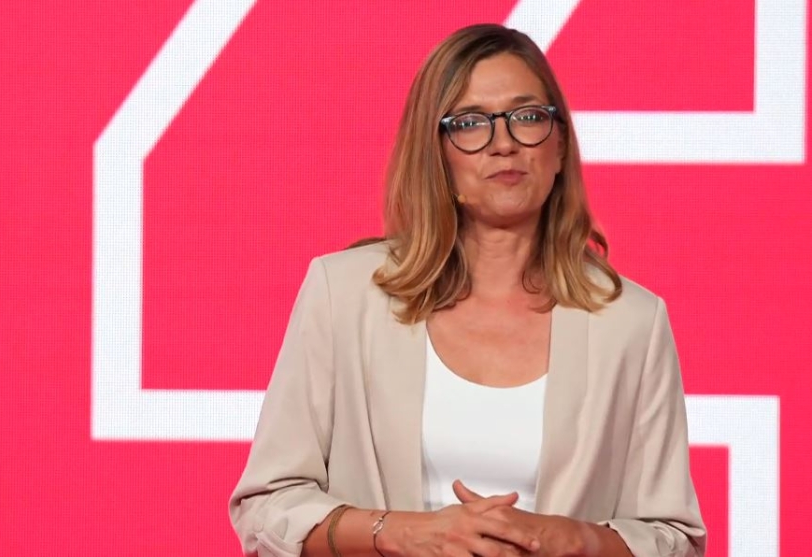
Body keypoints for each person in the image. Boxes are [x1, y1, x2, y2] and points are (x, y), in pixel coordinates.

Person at [229, 23, 706, 557]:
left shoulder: (632, 321)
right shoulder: (343, 295)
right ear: (436, 152)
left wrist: (572, 539)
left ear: (560, 144)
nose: (504, 143)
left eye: (528, 117)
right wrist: (404, 533)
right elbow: (268, 507)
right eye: (471, 123)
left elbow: (674, 539)